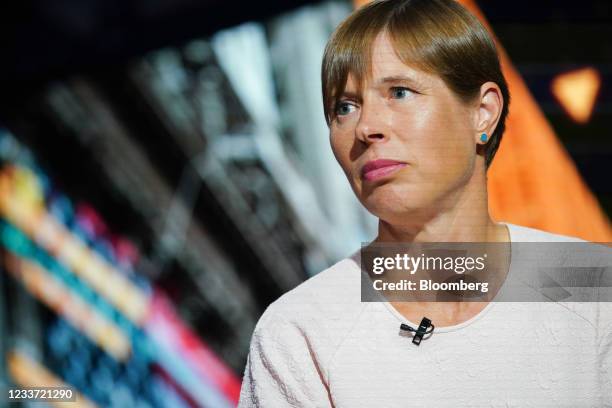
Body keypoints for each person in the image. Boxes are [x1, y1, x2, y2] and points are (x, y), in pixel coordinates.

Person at [237, 0, 612, 406]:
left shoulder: (594, 286)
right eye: (344, 107)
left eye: (399, 92)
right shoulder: (300, 330)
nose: (366, 128)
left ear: (483, 112)